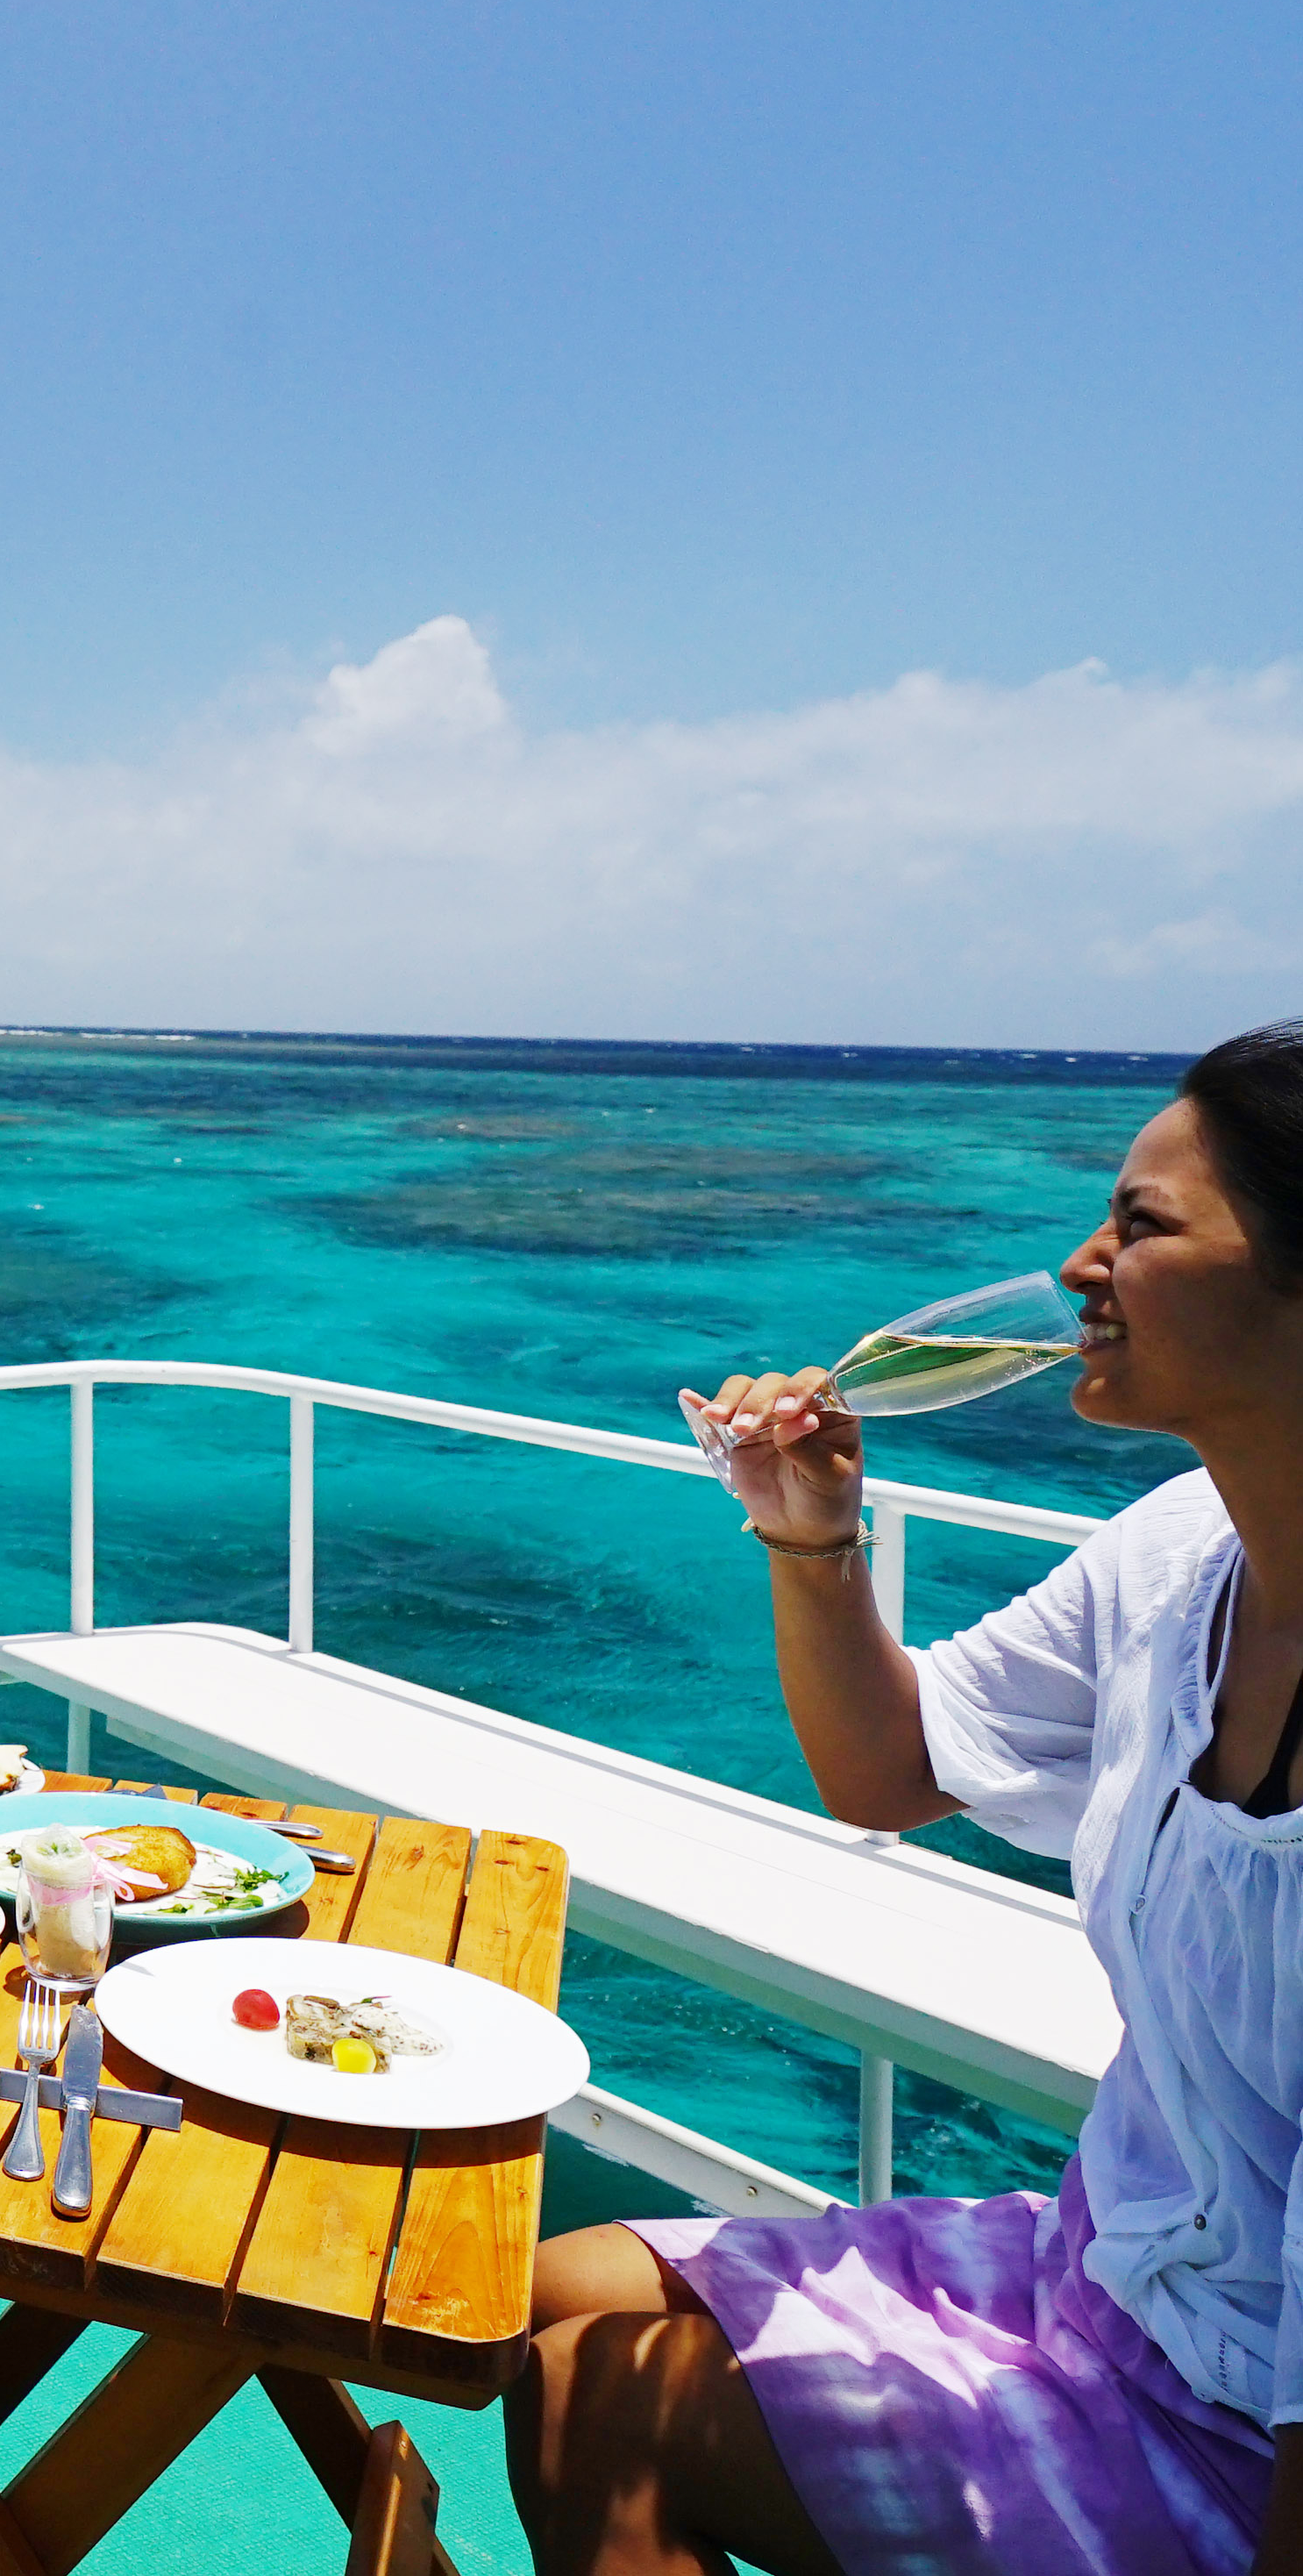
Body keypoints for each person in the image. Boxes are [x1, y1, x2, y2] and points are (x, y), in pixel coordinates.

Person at [506, 1018, 1303, 2576]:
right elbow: (892, 1766)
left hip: (1237, 2425)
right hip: (1103, 2272)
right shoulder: (1178, 1557)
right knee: (527, 2293)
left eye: (1141, 1227)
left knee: (600, 2396)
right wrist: (811, 1536)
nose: (1078, 1265)